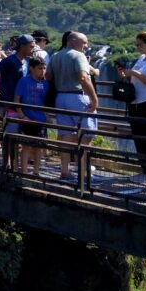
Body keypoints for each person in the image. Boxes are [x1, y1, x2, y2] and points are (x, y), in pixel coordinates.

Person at [47, 31, 99, 180]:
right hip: (78, 98)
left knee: (67, 136)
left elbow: (48, 76)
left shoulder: (56, 56)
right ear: (73, 41)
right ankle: (83, 174)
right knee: (86, 136)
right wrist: (94, 99)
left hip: (60, 98)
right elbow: (83, 77)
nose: (86, 45)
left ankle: (65, 172)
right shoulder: (78, 55)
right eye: (84, 42)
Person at [117, 30, 146, 184]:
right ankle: (145, 171)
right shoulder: (142, 58)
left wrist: (136, 74)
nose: (138, 48)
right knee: (139, 139)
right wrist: (125, 75)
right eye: (136, 45)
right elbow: (135, 78)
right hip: (135, 104)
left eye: (140, 45)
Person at [14, 56, 50, 176]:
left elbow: (45, 102)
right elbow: (17, 99)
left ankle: (36, 171)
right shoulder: (24, 81)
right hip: (27, 119)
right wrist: (21, 115)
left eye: (44, 68)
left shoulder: (45, 83)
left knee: (38, 147)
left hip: (41, 119)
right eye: (40, 68)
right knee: (26, 146)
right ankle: (24, 170)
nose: (42, 71)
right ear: (31, 68)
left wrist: (47, 116)